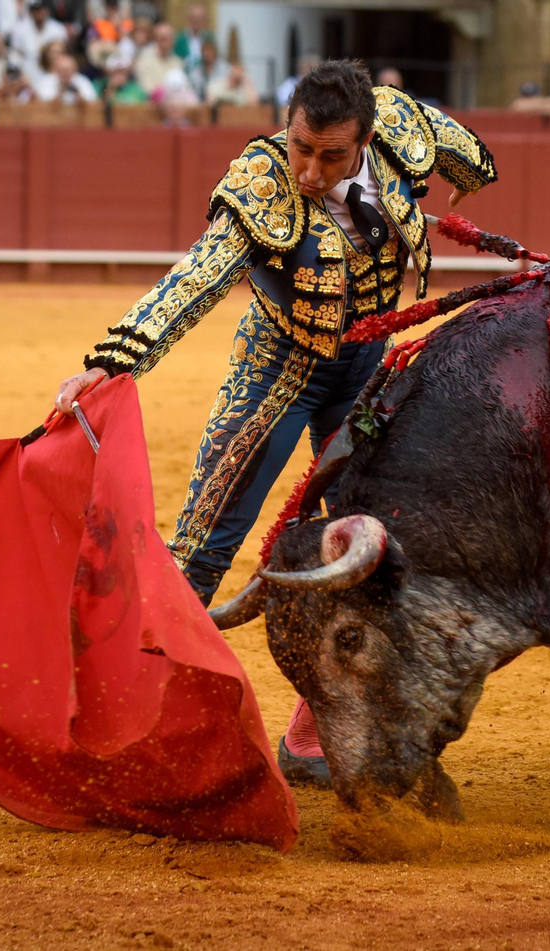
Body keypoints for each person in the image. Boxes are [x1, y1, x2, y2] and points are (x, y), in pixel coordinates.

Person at [52, 61, 498, 788]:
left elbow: (469, 154)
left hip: (366, 371)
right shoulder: (263, 183)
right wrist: (113, 359)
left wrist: (463, 181)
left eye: (331, 155)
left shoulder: (397, 126)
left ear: (366, 139)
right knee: (204, 547)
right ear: (286, 128)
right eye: (300, 147)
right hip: (277, 373)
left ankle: (313, 734)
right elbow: (197, 278)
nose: (310, 171)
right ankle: (124, 725)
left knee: (369, 550)